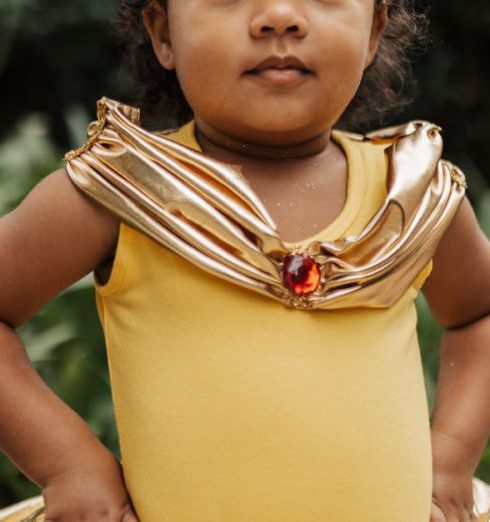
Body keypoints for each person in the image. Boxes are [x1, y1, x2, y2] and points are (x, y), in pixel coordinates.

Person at [0, 1, 489, 522]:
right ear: (163, 33)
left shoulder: (410, 197)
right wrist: (68, 464)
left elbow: (479, 314)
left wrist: (453, 454)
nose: (279, 16)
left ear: (373, 30)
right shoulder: (123, 194)